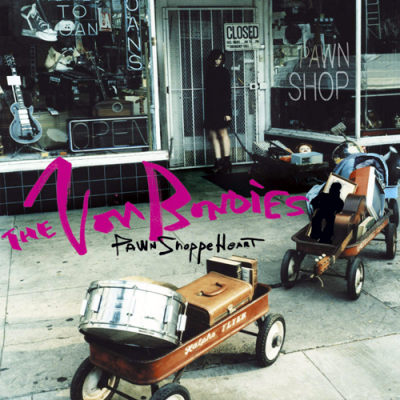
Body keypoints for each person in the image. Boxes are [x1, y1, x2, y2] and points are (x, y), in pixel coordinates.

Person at [204, 49, 232, 174]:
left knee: (222, 133)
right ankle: (218, 162)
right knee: (213, 135)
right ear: (212, 59)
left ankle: (226, 162)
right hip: (211, 107)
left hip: (221, 107)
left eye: (220, 59)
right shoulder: (209, 71)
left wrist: (227, 112)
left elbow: (227, 92)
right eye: (216, 58)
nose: (217, 61)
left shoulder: (224, 72)